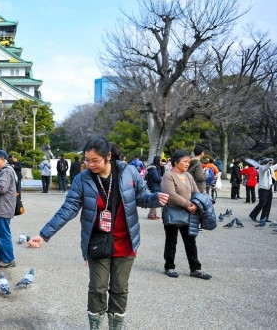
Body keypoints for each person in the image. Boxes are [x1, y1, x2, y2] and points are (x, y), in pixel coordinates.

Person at [28, 137, 167, 329]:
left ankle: (116, 326)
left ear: (108, 156)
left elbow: (141, 197)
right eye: (87, 160)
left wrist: (155, 199)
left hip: (125, 241)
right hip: (97, 240)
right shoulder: (82, 180)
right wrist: (44, 235)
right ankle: (95, 325)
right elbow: (68, 209)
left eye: (95, 160)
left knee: (119, 288)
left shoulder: (129, 172)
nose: (90, 164)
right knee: (98, 287)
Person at [161, 150, 212, 280]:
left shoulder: (189, 176)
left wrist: (196, 204)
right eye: (185, 161)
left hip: (189, 213)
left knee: (190, 241)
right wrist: (188, 205)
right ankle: (169, 266)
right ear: (176, 162)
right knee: (171, 240)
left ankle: (195, 269)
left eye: (188, 162)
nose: (187, 164)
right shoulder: (168, 176)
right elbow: (171, 195)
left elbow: (196, 192)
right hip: (173, 212)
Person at [249, 158, 277, 222]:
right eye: (268, 162)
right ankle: (253, 215)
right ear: (265, 163)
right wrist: (269, 163)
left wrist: (271, 163)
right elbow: (266, 167)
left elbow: (275, 166)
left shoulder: (271, 168)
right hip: (263, 188)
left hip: (269, 188)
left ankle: (264, 217)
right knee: (262, 203)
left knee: (268, 204)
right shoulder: (261, 168)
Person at [145, 155, 164, 220]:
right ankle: (151, 215)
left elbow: (161, 175)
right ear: (157, 160)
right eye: (160, 160)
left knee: (156, 200)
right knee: (155, 201)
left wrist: (162, 167)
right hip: (154, 186)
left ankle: (154, 214)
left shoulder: (156, 168)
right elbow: (157, 178)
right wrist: (162, 179)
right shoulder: (153, 169)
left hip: (156, 186)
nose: (161, 162)